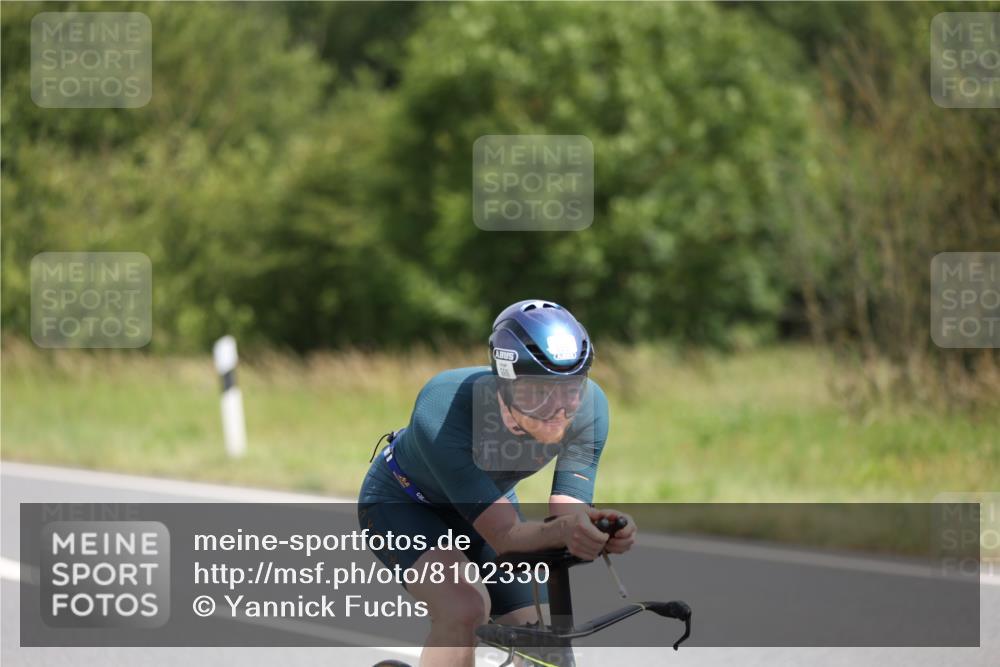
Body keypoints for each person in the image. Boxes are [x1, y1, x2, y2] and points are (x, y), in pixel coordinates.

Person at [358, 300, 636, 667]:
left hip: (488, 502)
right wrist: (570, 529)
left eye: (571, 389)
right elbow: (505, 535)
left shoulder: (590, 407)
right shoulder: (443, 408)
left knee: (535, 637)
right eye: (539, 392)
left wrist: (599, 529)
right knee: (464, 610)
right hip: (407, 503)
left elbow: (567, 516)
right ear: (505, 381)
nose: (559, 409)